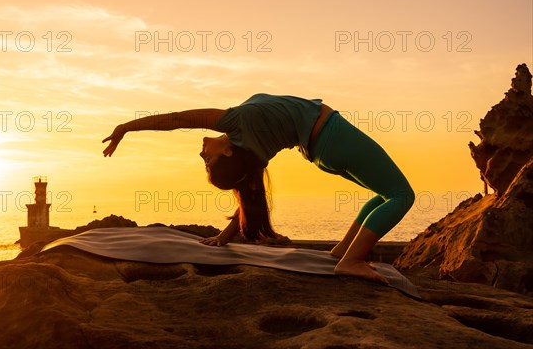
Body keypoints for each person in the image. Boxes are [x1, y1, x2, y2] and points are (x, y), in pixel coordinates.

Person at [102, 93, 415, 284]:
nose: (202, 154)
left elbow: (248, 198)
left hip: (320, 151)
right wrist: (127, 128)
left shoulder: (253, 155)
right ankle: (352, 261)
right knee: (401, 195)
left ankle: (342, 252)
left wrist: (224, 237)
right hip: (332, 135)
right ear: (226, 152)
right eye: (207, 161)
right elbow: (178, 119)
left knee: (383, 194)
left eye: (204, 161)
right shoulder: (236, 123)